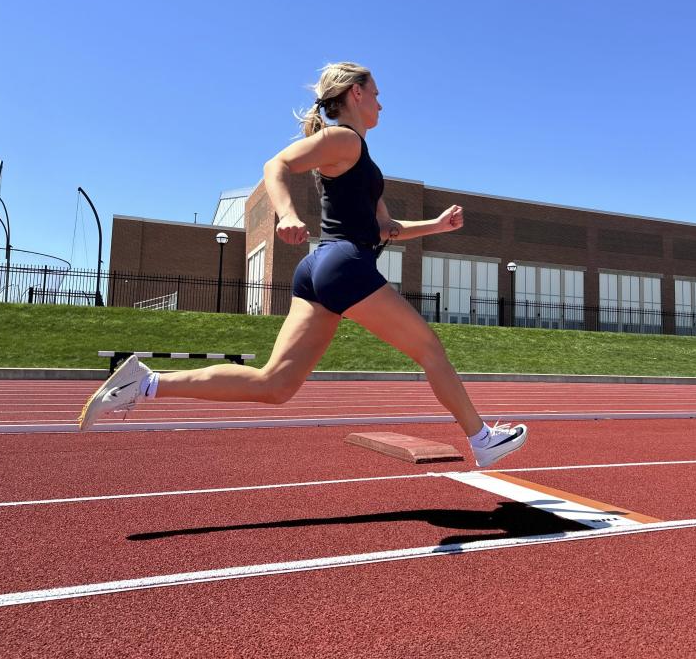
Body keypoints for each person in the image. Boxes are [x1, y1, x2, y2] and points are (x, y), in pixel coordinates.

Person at [78, 61, 527, 468]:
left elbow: (385, 227)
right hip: (344, 264)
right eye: (375, 94)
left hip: (321, 270)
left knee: (274, 385)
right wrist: (288, 215)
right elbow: (276, 164)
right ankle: (483, 439)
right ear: (355, 93)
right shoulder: (342, 138)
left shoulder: (360, 158)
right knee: (430, 350)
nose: (381, 103)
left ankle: (148, 383)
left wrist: (437, 225)